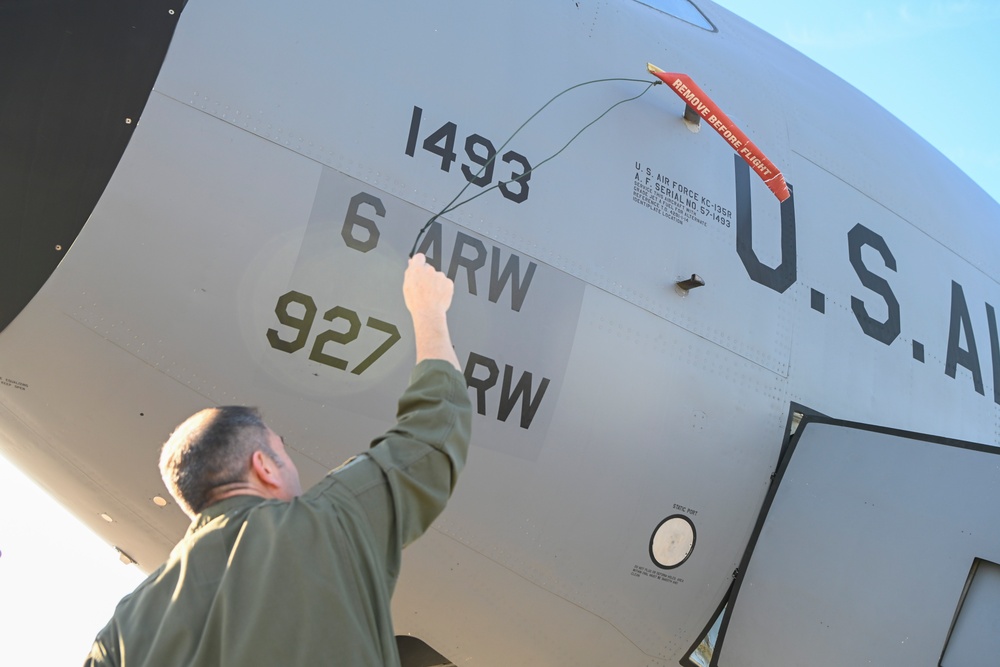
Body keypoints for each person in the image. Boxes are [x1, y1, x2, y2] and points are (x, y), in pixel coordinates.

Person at [84, 254, 471, 666]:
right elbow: (434, 429)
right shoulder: (323, 526)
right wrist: (429, 309)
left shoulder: (122, 632)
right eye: (282, 449)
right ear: (264, 466)